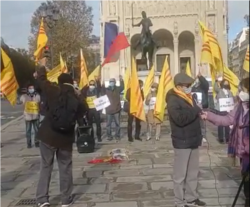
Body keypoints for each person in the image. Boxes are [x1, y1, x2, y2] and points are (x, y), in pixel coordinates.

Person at [34, 66, 87, 207]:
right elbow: (84, 111)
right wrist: (79, 94)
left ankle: (42, 199)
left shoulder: (53, 91)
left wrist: (41, 69)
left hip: (48, 136)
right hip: (65, 139)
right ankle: (65, 199)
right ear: (72, 83)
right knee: (65, 168)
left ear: (59, 82)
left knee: (46, 166)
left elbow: (42, 82)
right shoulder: (76, 97)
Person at [201, 77, 249, 207]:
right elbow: (227, 120)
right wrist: (208, 115)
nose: (240, 93)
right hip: (244, 155)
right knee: (247, 188)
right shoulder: (239, 107)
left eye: (243, 90)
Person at [166, 73, 206, 207]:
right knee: (180, 174)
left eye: (190, 85)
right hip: (182, 141)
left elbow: (195, 112)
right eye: (187, 86)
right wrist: (195, 110)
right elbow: (179, 119)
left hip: (194, 139)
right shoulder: (173, 99)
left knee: (193, 172)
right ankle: (179, 201)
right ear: (179, 86)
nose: (189, 88)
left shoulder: (190, 97)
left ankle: (191, 198)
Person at [19, 83, 41, 148]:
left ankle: (37, 142)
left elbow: (39, 105)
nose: (31, 89)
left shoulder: (37, 96)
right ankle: (29, 143)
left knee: (36, 130)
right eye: (30, 88)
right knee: (28, 131)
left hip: (35, 115)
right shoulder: (24, 96)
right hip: (27, 116)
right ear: (28, 89)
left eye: (32, 88)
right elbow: (21, 103)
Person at [192, 71, 209, 144]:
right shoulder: (193, 87)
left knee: (202, 122)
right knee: (196, 122)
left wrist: (200, 76)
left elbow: (206, 84)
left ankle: (203, 136)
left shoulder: (203, 87)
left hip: (202, 106)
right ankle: (197, 135)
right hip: (194, 107)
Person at [214, 78, 234, 143]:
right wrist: (216, 80)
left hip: (227, 110)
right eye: (225, 82)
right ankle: (221, 138)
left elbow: (232, 100)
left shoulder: (230, 91)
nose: (226, 83)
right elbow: (215, 88)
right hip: (220, 110)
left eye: (227, 82)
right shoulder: (219, 90)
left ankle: (227, 138)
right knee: (220, 123)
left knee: (227, 124)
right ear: (222, 83)